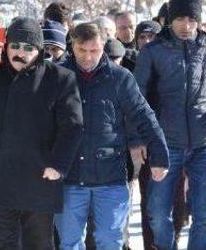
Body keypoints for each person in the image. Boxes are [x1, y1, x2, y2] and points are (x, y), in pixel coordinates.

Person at [0, 17, 83, 249]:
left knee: (38, 244)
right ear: (5, 46)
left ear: (39, 49)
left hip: (39, 179)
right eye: (14, 46)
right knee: (1, 244)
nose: (19, 53)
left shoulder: (60, 78)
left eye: (28, 48)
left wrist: (59, 164)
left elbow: (72, 127)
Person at [56, 22, 169, 250]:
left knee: (110, 241)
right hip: (69, 177)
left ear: (103, 47)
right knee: (69, 242)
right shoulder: (58, 75)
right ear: (72, 47)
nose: (88, 57)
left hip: (110, 177)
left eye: (94, 51)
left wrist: (159, 154)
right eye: (82, 50)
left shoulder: (119, 78)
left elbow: (143, 116)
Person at [135, 0, 206, 250]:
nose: (186, 26)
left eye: (191, 19)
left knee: (203, 218)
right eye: (180, 19)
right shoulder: (153, 51)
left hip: (205, 143)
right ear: (170, 21)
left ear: (198, 21)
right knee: (157, 213)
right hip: (166, 144)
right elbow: (138, 98)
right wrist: (142, 137)